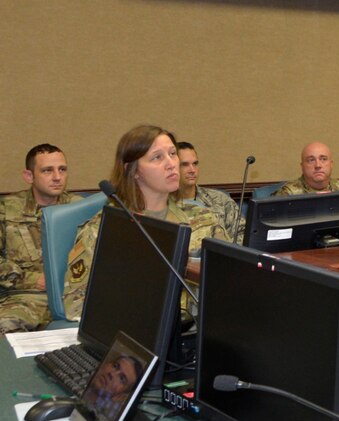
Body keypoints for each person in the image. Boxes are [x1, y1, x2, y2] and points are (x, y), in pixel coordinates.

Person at [63, 126, 230, 321]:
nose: (171, 164)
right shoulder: (104, 229)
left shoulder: (204, 219)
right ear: (132, 170)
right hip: (136, 335)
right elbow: (76, 306)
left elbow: (231, 282)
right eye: (157, 157)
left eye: (172, 154)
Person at [0, 144, 82, 333]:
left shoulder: (80, 208)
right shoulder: (7, 210)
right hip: (25, 297)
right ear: (29, 176)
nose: (57, 177)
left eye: (62, 170)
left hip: (72, 295)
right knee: (7, 325)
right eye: (47, 171)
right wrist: (33, 279)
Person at [175, 141, 244, 242]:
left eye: (195, 164)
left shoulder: (221, 200)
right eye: (184, 165)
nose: (192, 170)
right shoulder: (164, 205)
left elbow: (242, 234)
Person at [274, 141, 339, 195]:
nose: (318, 165)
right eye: (311, 160)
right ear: (302, 166)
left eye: (323, 159)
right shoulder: (288, 193)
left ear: (331, 164)